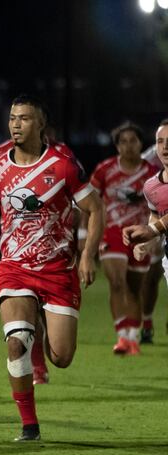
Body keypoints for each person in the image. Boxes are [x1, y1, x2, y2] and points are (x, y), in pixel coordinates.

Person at [0, 94, 104, 442]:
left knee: (61, 357)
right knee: (16, 342)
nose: (16, 124)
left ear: (41, 124)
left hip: (59, 270)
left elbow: (95, 209)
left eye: (25, 118)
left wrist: (89, 255)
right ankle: (29, 425)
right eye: (13, 118)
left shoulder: (62, 164)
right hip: (15, 269)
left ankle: (44, 323)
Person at [89, 122, 158, 356]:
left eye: (133, 141)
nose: (128, 146)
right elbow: (88, 202)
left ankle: (133, 337)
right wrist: (83, 235)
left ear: (141, 144)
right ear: (117, 146)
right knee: (117, 282)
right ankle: (121, 336)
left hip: (140, 236)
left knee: (134, 288)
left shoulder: (152, 174)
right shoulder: (105, 170)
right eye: (123, 142)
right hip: (112, 234)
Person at [125, 120, 168, 309]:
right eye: (160, 141)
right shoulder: (151, 187)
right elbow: (156, 217)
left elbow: (154, 227)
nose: (165, 146)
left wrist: (151, 230)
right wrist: (147, 243)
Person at [137, 142, 163, 344]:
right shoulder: (156, 152)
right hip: (160, 223)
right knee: (152, 276)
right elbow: (139, 168)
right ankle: (146, 323)